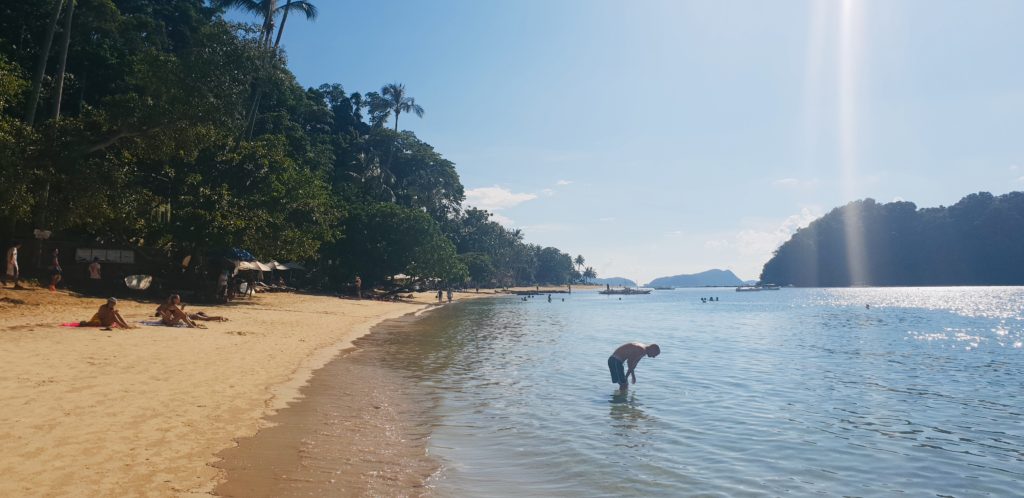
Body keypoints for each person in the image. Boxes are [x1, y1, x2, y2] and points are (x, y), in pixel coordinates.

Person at [157, 294, 227, 323]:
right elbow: (180, 314)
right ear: (174, 300)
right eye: (178, 299)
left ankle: (219, 317)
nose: (179, 300)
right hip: (190, 315)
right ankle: (220, 318)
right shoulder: (173, 307)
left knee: (206, 318)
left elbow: (181, 314)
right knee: (206, 318)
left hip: (190, 316)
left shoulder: (173, 307)